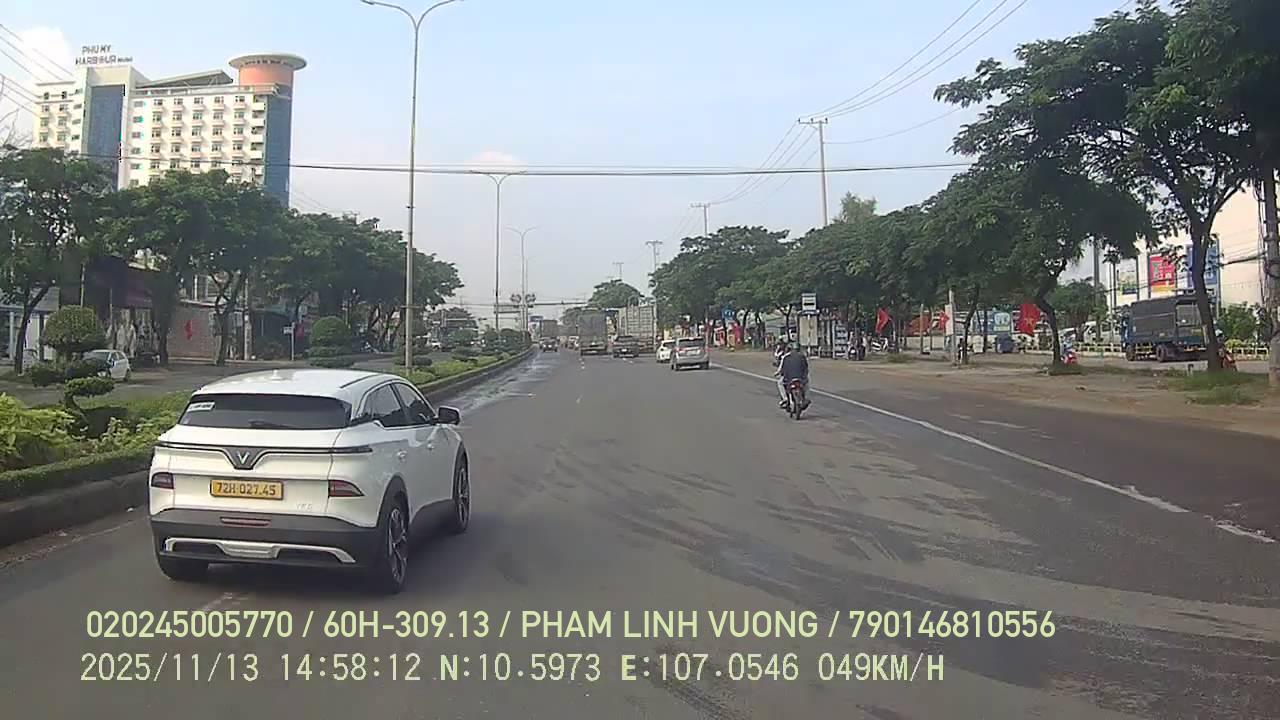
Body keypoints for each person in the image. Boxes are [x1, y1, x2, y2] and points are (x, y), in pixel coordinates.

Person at [775, 343, 810, 409]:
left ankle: (785, 399)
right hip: (800, 378)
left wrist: (778, 373)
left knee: (780, 383)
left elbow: (782, 369)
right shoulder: (802, 357)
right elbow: (806, 368)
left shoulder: (785, 357)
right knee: (807, 383)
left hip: (789, 378)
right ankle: (806, 398)